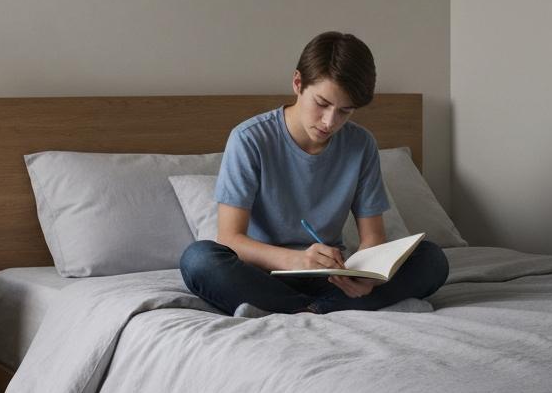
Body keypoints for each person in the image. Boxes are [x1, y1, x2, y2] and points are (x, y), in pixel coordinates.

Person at [180, 32, 448, 315]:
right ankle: (324, 309)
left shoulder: (361, 144)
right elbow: (230, 239)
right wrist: (297, 260)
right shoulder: (249, 139)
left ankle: (303, 310)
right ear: (298, 83)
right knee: (198, 260)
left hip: (332, 278)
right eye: (322, 103)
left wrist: (366, 277)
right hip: (263, 276)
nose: (330, 122)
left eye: (345, 111)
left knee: (432, 259)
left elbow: (373, 237)